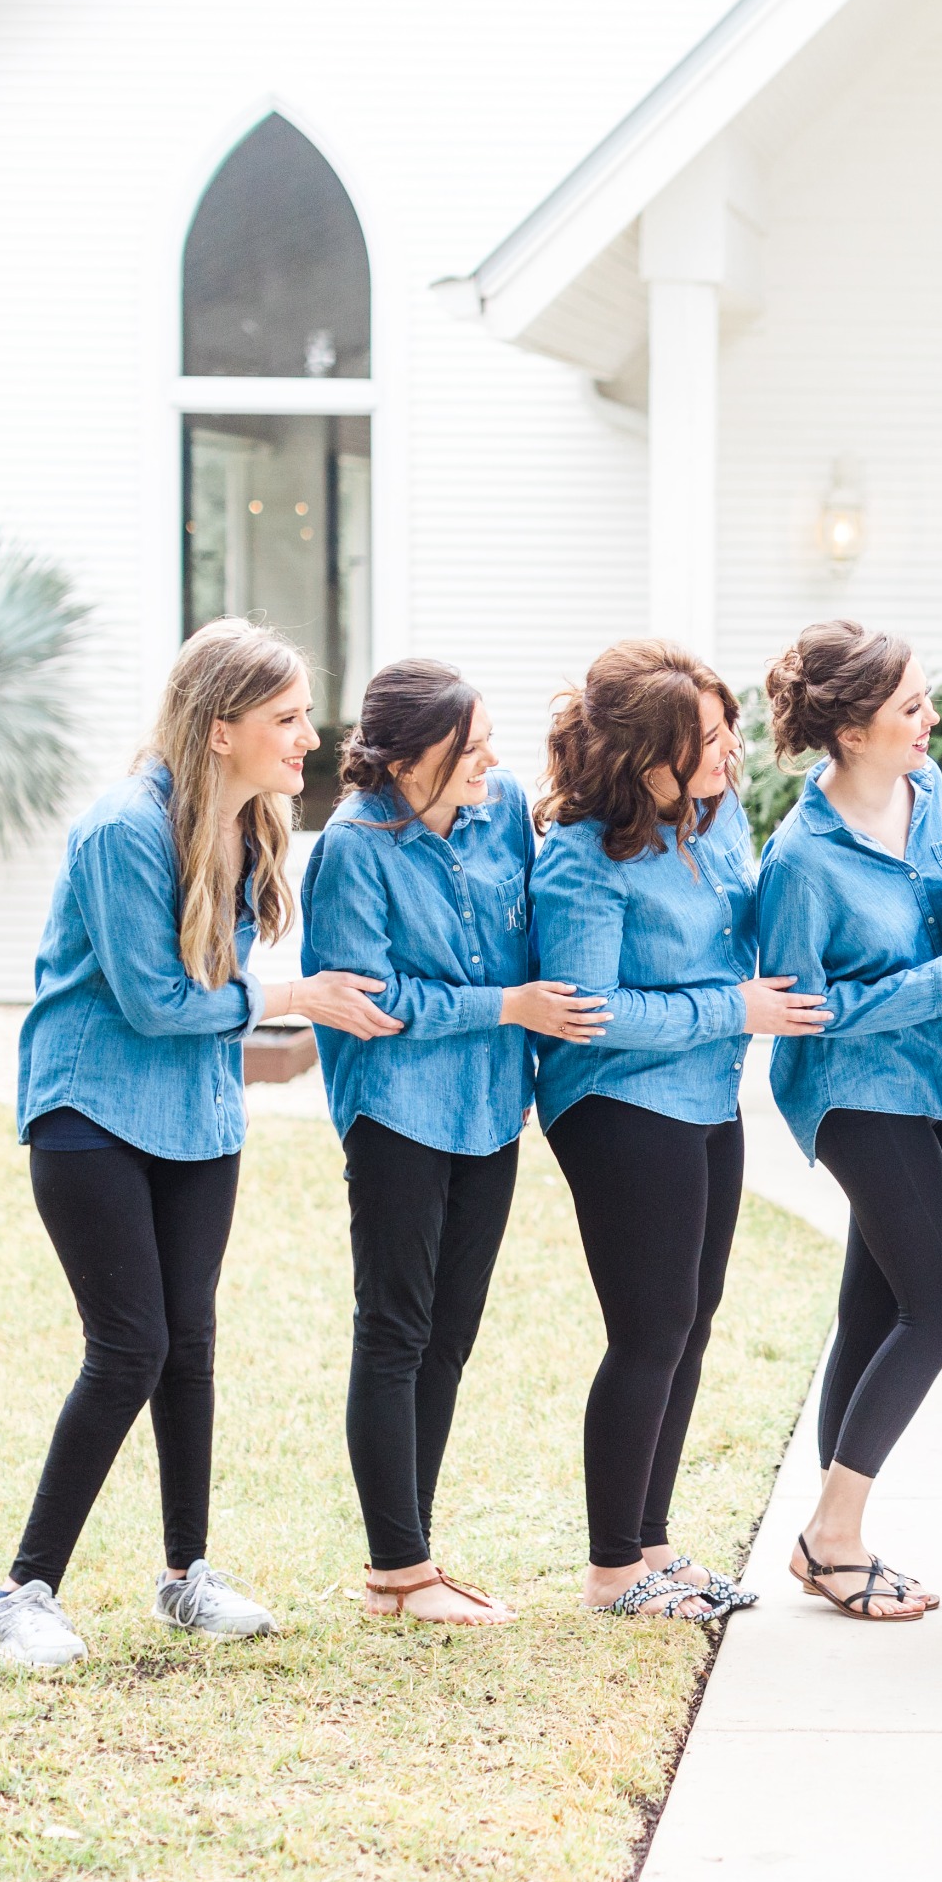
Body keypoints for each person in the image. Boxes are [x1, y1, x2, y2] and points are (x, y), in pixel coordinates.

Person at [0, 620, 403, 1670]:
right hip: (91, 1112)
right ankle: (16, 1591)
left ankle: (184, 1574)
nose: (309, 736)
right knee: (131, 1346)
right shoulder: (122, 829)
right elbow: (160, 1003)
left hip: (197, 1120)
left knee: (190, 1344)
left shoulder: (253, 824)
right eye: (287, 717)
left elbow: (207, 1004)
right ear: (219, 729)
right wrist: (291, 997)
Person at [300, 660, 609, 1627]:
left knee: (452, 1333)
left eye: (487, 743)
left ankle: (415, 1558)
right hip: (396, 1108)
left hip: (490, 1108)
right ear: (406, 761)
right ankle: (395, 1569)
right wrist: (507, 1006)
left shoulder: (503, 804)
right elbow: (369, 1000)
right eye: (466, 749)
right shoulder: (354, 849)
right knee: (394, 1329)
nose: (489, 761)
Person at [532, 640, 825, 1623]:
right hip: (618, 1102)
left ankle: (654, 1545)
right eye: (704, 738)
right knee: (648, 1327)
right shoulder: (582, 860)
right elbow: (589, 1011)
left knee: (689, 1323)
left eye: (727, 727)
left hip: (704, 1096)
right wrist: (730, 1010)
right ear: (641, 756)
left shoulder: (718, 812)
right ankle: (613, 1568)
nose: (729, 749)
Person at [757, 622, 942, 1621]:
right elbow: (801, 1008)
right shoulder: (801, 861)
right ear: (852, 731)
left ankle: (836, 1535)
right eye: (911, 705)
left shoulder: (928, 789)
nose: (932, 718)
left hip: (925, 1085)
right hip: (852, 1093)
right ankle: (831, 1531)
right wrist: (936, 982)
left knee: (875, 1306)